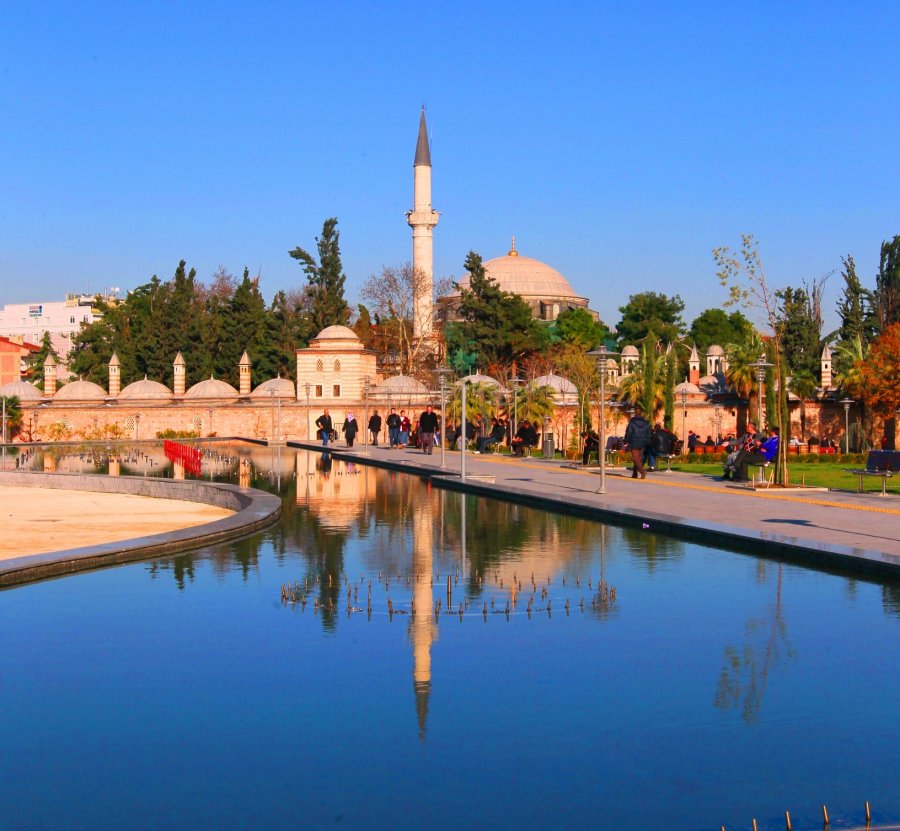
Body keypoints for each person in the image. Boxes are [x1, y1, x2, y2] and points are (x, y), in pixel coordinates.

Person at [624, 405, 652, 479]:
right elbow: (649, 434)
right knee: (639, 458)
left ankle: (642, 471)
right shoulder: (647, 423)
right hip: (643, 442)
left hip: (634, 442)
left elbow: (629, 432)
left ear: (635, 413)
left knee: (636, 459)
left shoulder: (632, 423)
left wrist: (626, 440)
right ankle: (634, 473)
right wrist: (648, 442)